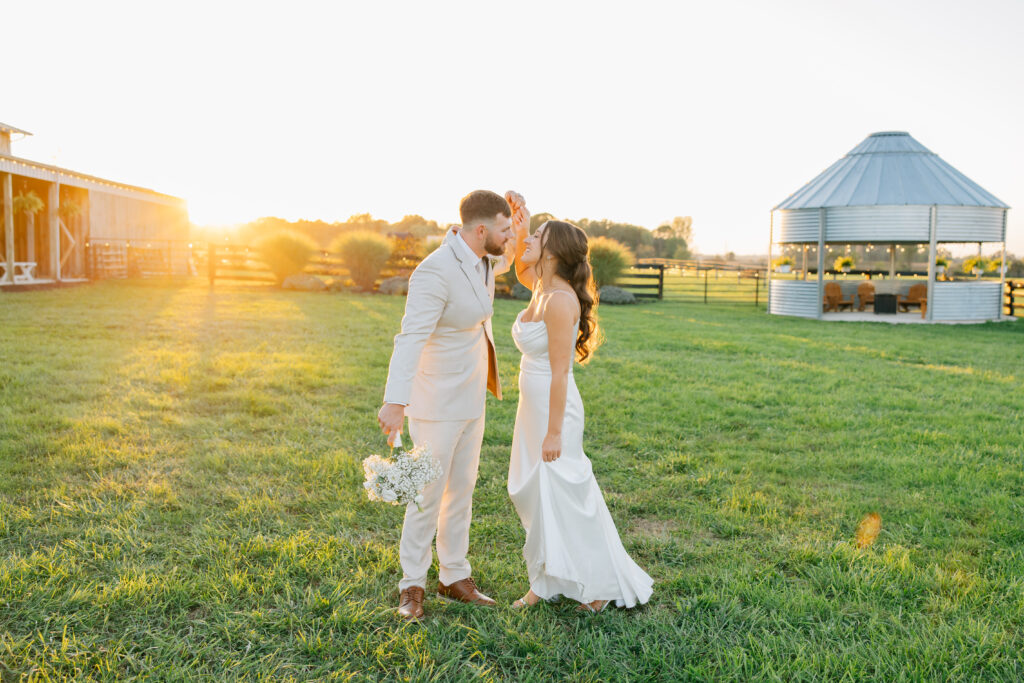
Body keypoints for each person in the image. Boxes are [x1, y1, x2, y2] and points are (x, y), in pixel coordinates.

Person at [378, 189, 527, 621]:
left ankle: (454, 576)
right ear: (480, 230)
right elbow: (410, 338)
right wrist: (395, 401)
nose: (508, 236)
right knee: (427, 495)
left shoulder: (484, 257)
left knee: (461, 490)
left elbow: (515, 245)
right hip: (435, 402)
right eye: (502, 227)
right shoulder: (435, 271)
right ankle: (412, 584)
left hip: (470, 398)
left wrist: (522, 215)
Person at [505, 207, 653, 613]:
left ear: (551, 253)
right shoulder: (539, 286)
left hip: (555, 411)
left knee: (565, 495)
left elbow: (558, 374)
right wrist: (522, 226)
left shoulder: (557, 301)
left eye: (538, 237)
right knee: (535, 493)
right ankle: (545, 579)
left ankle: (600, 586)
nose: (529, 241)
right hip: (531, 408)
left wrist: (553, 433)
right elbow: (519, 267)